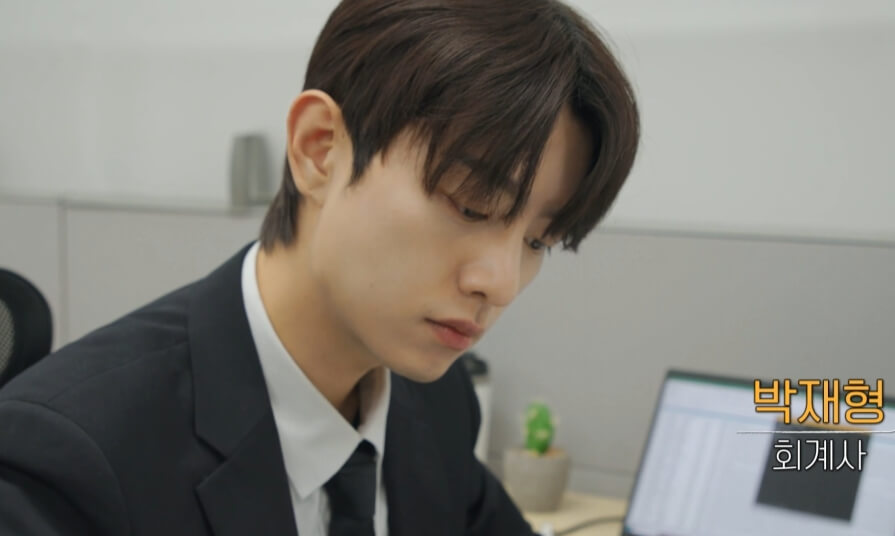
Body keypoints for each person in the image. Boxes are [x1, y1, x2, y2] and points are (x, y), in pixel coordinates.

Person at [0, 0, 639, 534]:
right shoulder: (70, 462)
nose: (500, 283)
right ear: (319, 149)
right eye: (471, 204)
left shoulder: (435, 403)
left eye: (539, 241)